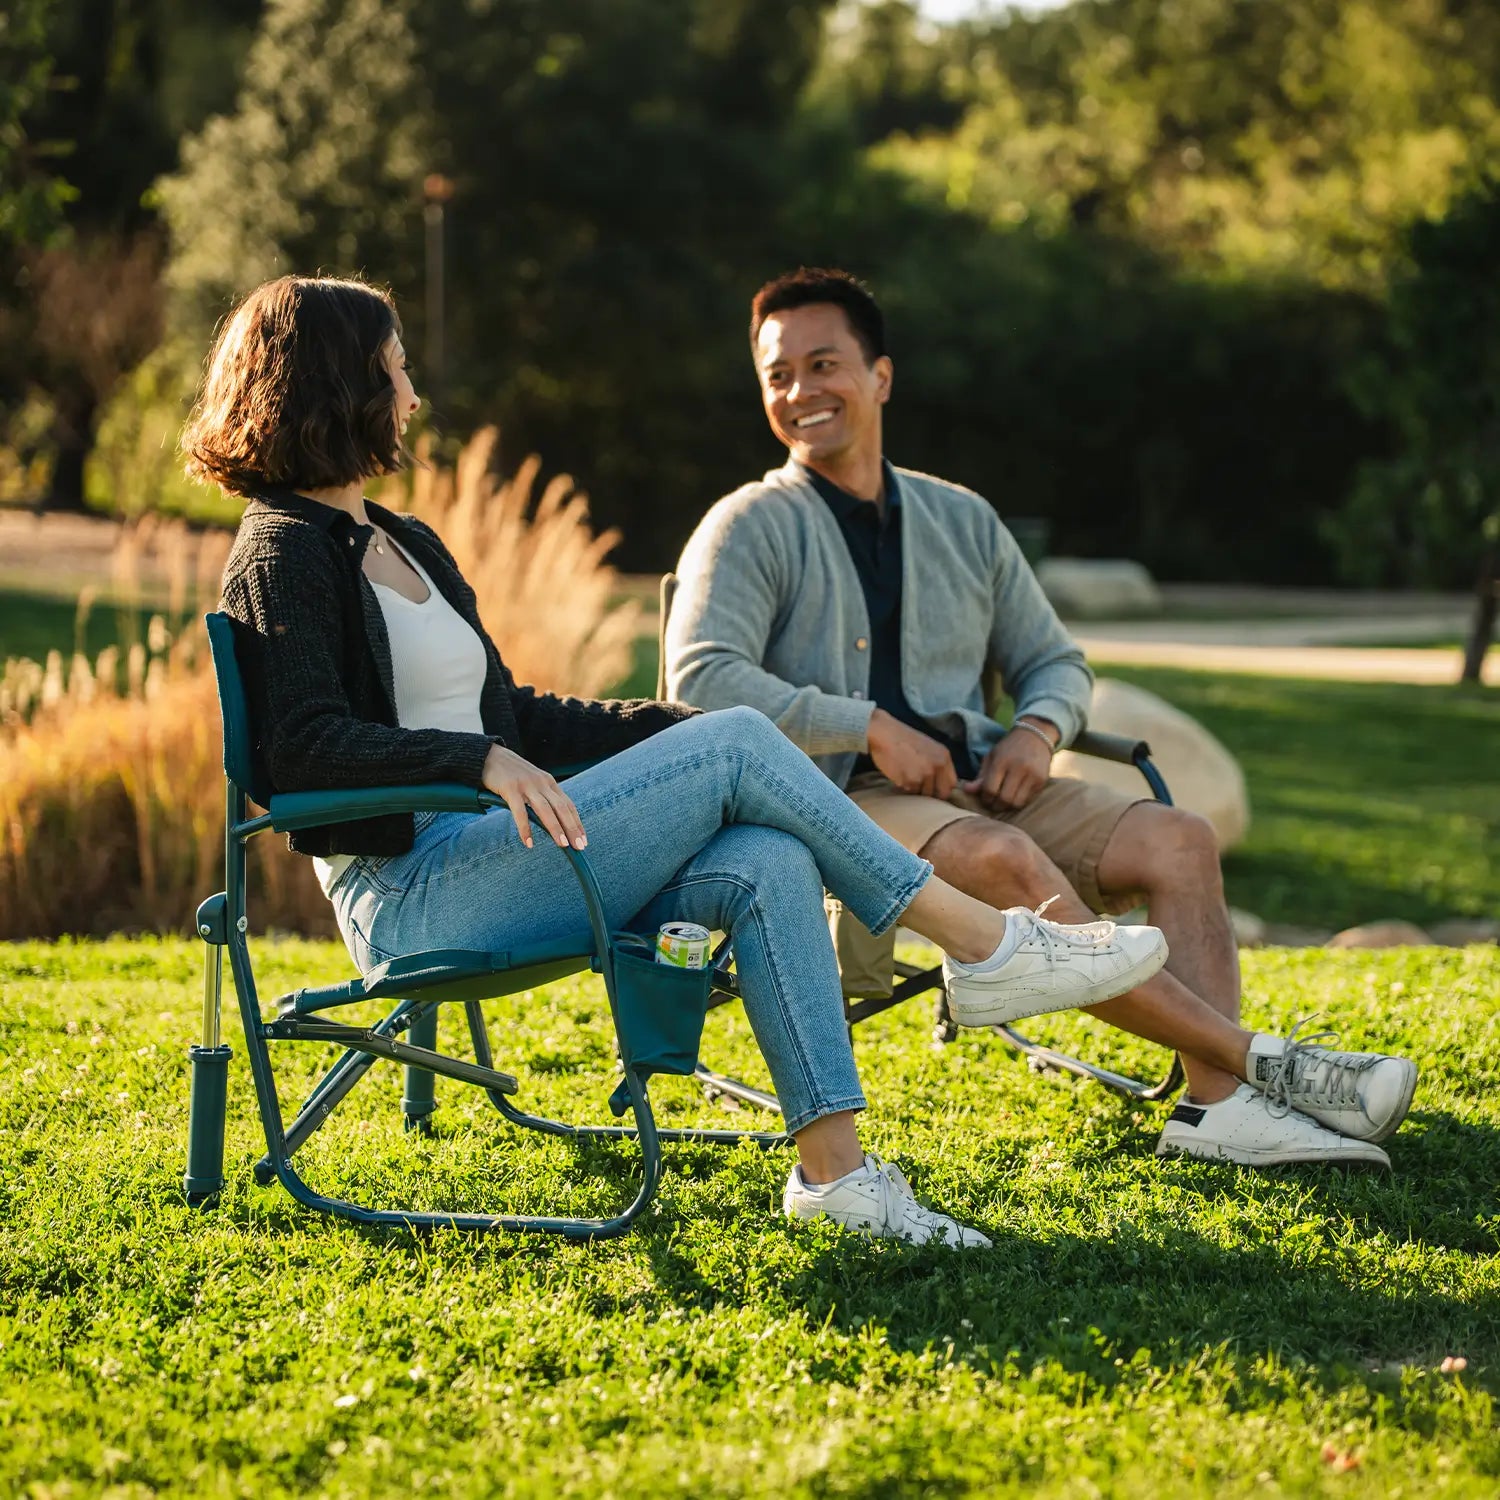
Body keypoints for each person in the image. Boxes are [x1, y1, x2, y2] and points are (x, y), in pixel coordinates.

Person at [184, 273, 1173, 1248]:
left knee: (765, 857)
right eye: (394, 371)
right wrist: (479, 760)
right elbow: (299, 750)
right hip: (413, 894)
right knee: (741, 739)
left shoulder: (404, 542)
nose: (410, 394)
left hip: (510, 853)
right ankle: (987, 946)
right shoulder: (281, 553)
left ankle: (838, 1177)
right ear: (337, 386)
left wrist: (662, 728)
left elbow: (516, 713)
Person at [666, 265, 1418, 1170]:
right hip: (836, 803)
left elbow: (1055, 661)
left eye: (822, 364)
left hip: (984, 782)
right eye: (777, 376)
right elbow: (698, 682)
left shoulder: (964, 520)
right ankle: (1262, 1066)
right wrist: (863, 724)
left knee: (1181, 840)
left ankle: (1216, 1107)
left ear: (881, 377)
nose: (799, 393)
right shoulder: (746, 525)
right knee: (1005, 862)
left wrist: (1039, 732)